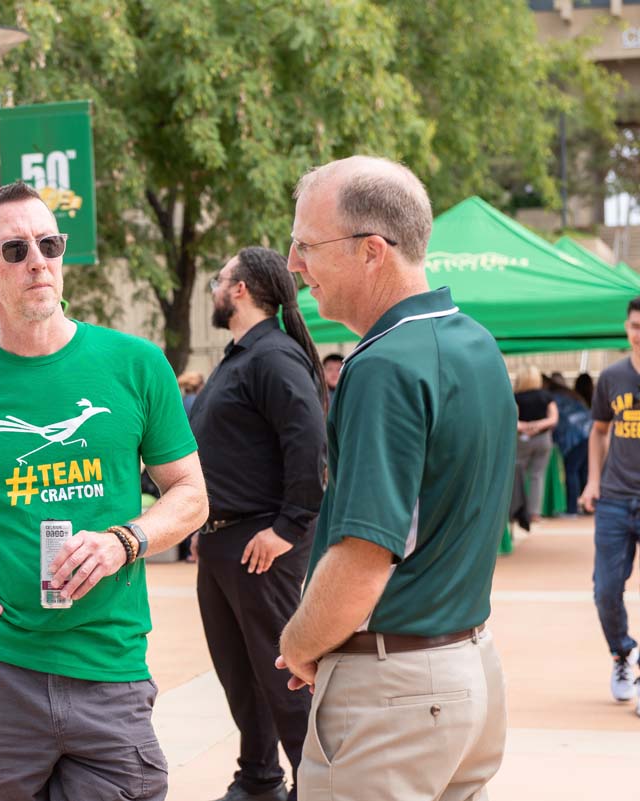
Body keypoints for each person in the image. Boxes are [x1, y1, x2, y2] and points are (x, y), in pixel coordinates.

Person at [0, 180, 208, 801]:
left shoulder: (135, 365)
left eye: (49, 244)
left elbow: (191, 493)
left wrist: (124, 541)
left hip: (111, 670)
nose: (39, 261)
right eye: (16, 250)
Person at [277, 156, 514, 801]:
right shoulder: (477, 344)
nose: (294, 264)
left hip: (397, 690)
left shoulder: (383, 365)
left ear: (372, 251)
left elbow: (366, 554)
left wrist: (300, 640)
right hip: (467, 671)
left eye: (305, 245)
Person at [190, 247, 326, 801]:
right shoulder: (240, 355)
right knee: (240, 673)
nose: (216, 289)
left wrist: (288, 528)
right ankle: (259, 777)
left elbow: (310, 442)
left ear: (241, 289)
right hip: (224, 541)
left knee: (281, 672)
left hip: (263, 543)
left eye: (220, 279)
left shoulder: (273, 356)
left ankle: (315, 785)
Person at [580, 296, 640, 712]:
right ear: (626, 328)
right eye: (635, 325)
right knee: (605, 589)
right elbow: (599, 431)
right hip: (616, 499)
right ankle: (622, 654)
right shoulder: (612, 376)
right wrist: (593, 483)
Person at [512, 364, 558, 529]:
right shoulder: (546, 396)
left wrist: (526, 427)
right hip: (543, 438)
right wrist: (538, 426)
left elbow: (512, 419)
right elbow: (553, 419)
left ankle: (516, 511)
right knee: (538, 476)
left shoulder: (515, 397)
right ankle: (534, 513)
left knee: (518, 476)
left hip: (521, 440)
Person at [546, 373, 591, 516]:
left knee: (571, 471)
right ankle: (587, 507)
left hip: (574, 437)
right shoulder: (567, 393)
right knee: (582, 471)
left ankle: (572, 509)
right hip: (588, 431)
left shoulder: (551, 398)